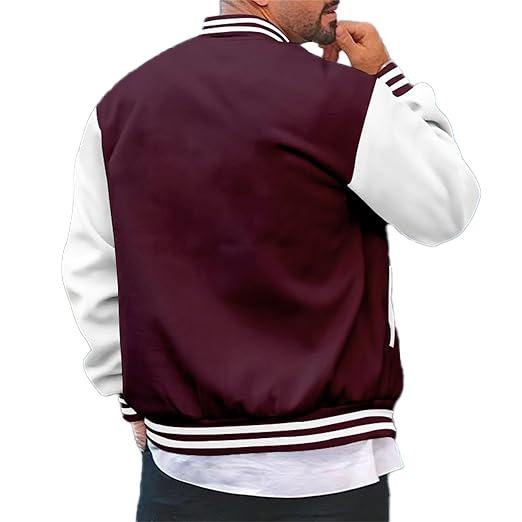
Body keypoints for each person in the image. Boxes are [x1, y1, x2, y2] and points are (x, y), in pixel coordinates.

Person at [61, 0, 480, 520]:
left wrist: (129, 393)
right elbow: (447, 207)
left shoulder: (120, 107)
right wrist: (385, 79)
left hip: (183, 463)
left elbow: (95, 268)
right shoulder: (342, 99)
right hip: (330, 467)